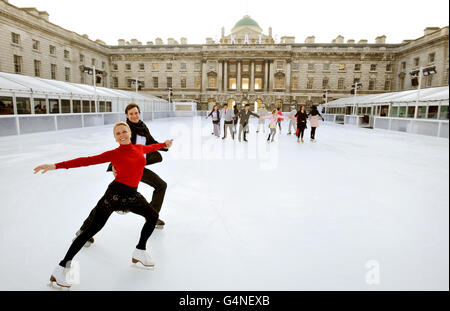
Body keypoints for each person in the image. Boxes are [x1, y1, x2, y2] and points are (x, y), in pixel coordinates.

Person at [34, 122, 173, 288]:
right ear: (115, 138)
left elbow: (151, 148)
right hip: (114, 196)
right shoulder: (114, 154)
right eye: (118, 133)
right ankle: (61, 268)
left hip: (132, 195)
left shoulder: (139, 149)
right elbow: (86, 161)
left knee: (152, 216)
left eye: (124, 131)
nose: (122, 135)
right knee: (90, 230)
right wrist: (55, 166)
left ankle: (140, 251)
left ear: (129, 132)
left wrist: (164, 144)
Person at [76, 104, 169, 249]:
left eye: (136, 113)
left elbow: (151, 142)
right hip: (126, 169)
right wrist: (114, 166)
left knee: (161, 185)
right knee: (108, 201)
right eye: (131, 114)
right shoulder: (126, 129)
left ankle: (152, 216)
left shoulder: (143, 127)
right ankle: (84, 229)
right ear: (126, 115)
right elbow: (119, 151)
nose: (134, 116)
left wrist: (165, 145)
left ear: (139, 113)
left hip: (138, 167)